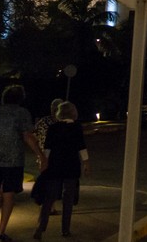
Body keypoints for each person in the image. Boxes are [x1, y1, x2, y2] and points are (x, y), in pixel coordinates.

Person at [0, 85, 44, 242]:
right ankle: (1, 231)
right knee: (8, 195)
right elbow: (27, 136)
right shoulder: (21, 113)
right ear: (20, 98)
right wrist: (40, 154)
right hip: (13, 161)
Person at [34, 101, 89, 240]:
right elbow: (81, 146)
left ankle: (40, 228)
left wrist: (44, 163)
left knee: (49, 197)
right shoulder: (76, 127)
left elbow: (47, 148)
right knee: (68, 199)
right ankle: (65, 229)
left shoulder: (53, 128)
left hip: (55, 166)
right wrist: (86, 163)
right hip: (71, 166)